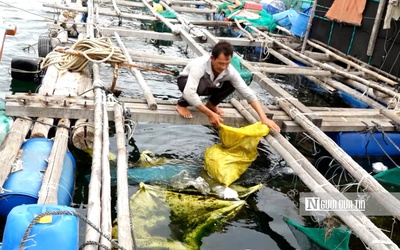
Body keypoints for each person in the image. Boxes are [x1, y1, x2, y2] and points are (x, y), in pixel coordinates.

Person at [175, 41, 281, 132]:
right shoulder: (199, 65)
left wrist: (263, 118)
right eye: (220, 63)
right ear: (212, 58)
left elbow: (247, 93)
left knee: (232, 83)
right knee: (196, 88)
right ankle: (181, 104)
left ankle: (211, 104)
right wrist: (210, 114)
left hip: (208, 85)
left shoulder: (229, 70)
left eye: (227, 63)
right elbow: (190, 92)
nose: (223, 67)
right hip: (186, 82)